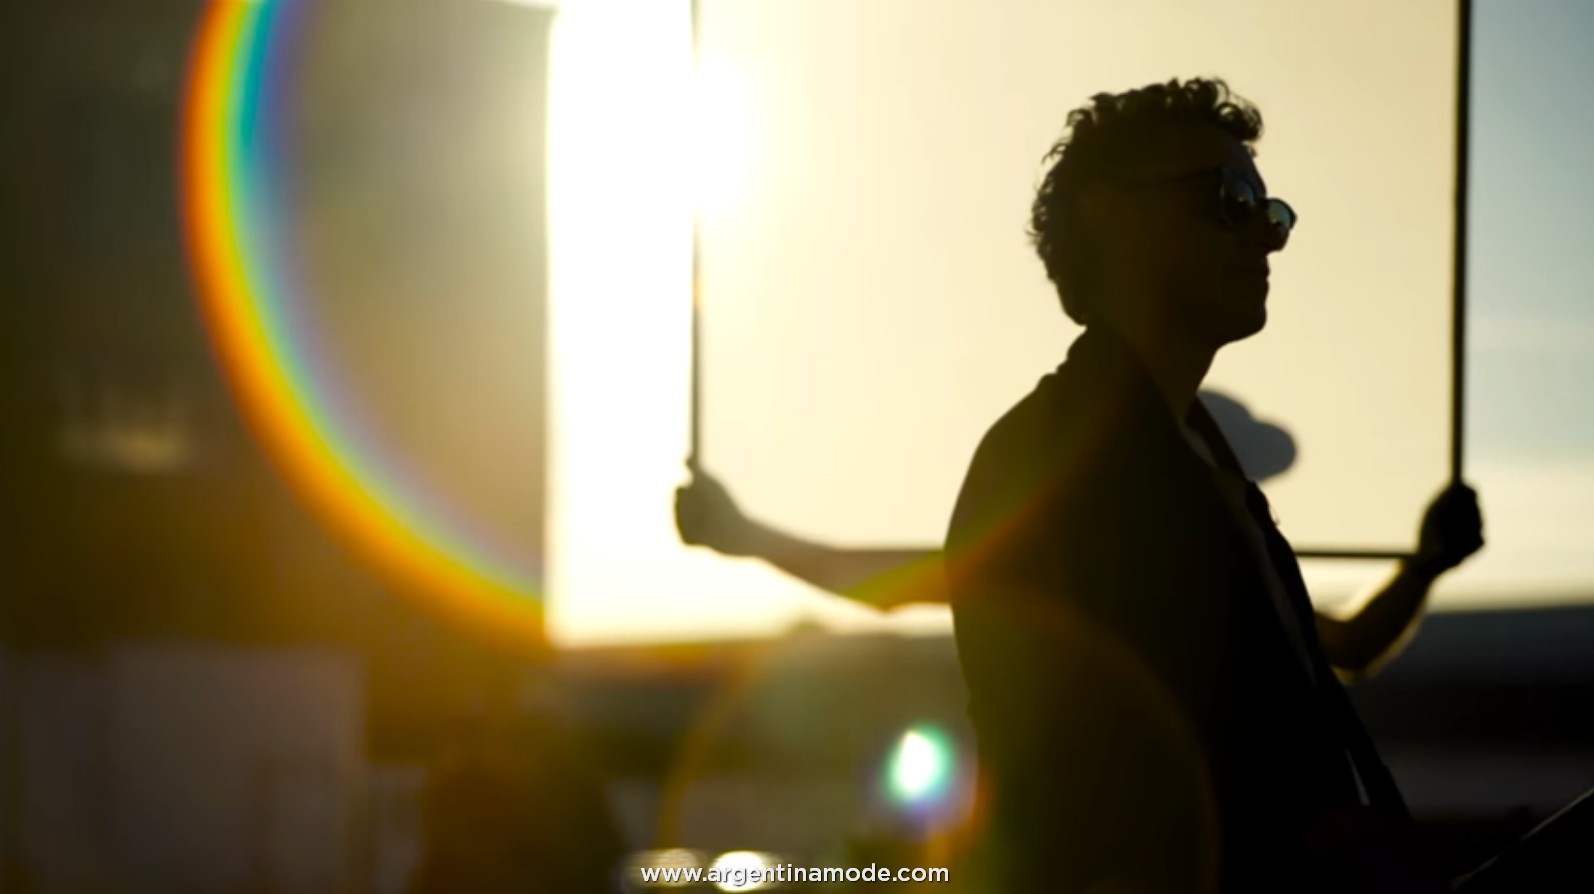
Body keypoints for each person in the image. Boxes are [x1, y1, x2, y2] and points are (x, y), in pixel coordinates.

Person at [938, 77, 1475, 892]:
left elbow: (1324, 656)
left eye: (1271, 210)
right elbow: (1088, 792)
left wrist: (1426, 564)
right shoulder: (1049, 467)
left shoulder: (1195, 461)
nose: (1268, 237)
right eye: (1231, 200)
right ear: (1112, 219)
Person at [675, 391, 1482, 681]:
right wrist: (745, 535)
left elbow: (1345, 645)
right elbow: (893, 582)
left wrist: (1424, 568)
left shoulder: (1236, 567)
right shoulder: (1091, 555)